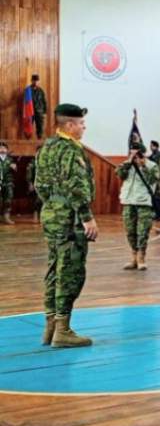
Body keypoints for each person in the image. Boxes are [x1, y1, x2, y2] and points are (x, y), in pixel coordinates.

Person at [34, 103, 97, 348]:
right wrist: (87, 217)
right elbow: (76, 187)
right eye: (81, 123)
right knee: (70, 271)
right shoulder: (71, 150)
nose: (84, 127)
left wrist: (53, 205)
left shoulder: (46, 148)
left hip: (50, 214)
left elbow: (38, 184)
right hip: (69, 218)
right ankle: (63, 330)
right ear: (69, 125)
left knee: (53, 268)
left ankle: (50, 325)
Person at [117, 142, 159, 271]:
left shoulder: (152, 165)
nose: (134, 155)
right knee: (130, 231)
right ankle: (133, 257)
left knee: (142, 232)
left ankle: (142, 258)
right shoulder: (127, 165)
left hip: (143, 202)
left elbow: (153, 179)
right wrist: (129, 161)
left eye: (136, 153)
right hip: (128, 201)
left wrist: (143, 165)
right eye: (132, 153)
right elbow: (120, 174)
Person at [27, 74, 48, 139]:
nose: (35, 82)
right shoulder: (28, 90)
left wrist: (44, 112)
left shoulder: (41, 91)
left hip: (39, 111)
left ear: (38, 81)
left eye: (37, 81)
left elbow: (44, 102)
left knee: (40, 128)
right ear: (31, 81)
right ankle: (28, 141)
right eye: (34, 80)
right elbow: (25, 102)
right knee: (29, 127)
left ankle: (39, 142)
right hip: (30, 112)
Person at [0, 142, 16, 224]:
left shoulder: (10, 159)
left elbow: (15, 170)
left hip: (8, 182)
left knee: (8, 200)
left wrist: (14, 167)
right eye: (1, 148)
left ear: (7, 150)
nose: (2, 149)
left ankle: (6, 217)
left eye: (4, 148)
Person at [27, 146, 42, 222]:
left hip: (46, 184)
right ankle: (35, 215)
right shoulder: (33, 162)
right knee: (37, 200)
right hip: (36, 184)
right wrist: (30, 183)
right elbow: (29, 174)